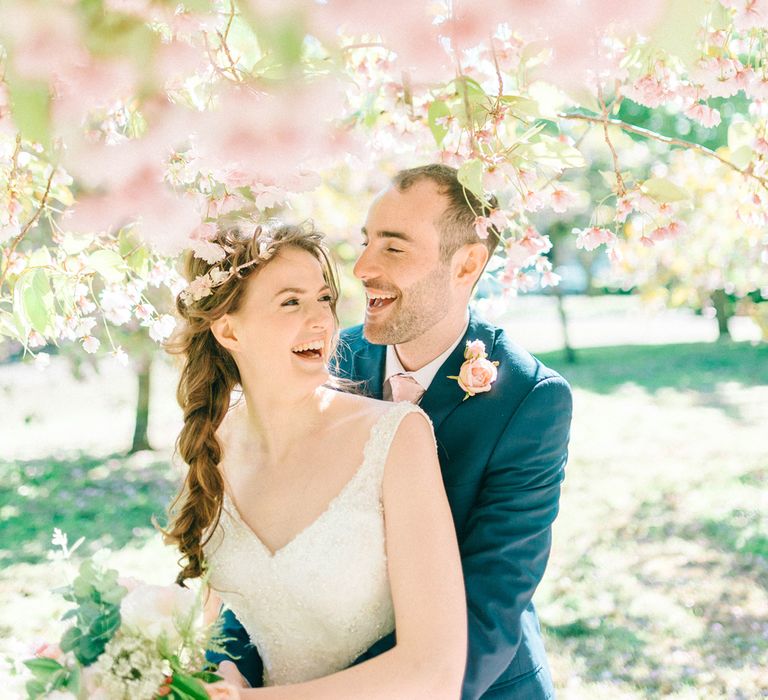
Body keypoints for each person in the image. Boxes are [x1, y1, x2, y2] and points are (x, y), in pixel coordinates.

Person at [215, 164, 573, 699]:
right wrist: (229, 670)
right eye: (366, 242)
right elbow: (273, 552)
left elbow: (489, 603)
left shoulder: (530, 400)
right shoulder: (327, 357)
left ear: (467, 264)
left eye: (394, 248)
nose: (361, 268)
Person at [163, 220, 468, 698]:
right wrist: (217, 673)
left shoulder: (395, 437)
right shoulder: (212, 445)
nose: (322, 320)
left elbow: (436, 673)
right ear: (228, 330)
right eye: (291, 302)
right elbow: (219, 617)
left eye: (324, 298)